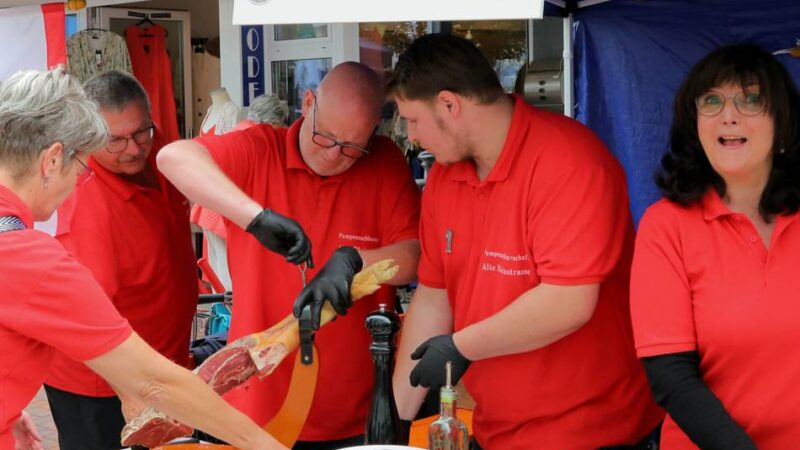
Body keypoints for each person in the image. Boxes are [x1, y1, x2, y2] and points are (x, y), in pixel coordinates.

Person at [388, 34, 662, 449]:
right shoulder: (445, 176)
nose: (409, 135)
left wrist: (461, 346)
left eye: (412, 119)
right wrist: (397, 417)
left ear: (449, 104)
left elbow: (568, 301)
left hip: (593, 431)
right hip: (498, 427)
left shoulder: (569, 161)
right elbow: (434, 292)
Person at [0, 68, 288, 450]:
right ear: (53, 160)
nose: (76, 184)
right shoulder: (32, 258)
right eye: (81, 164)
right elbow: (153, 382)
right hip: (103, 382)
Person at [157, 61, 421, 449]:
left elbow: (416, 257)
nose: (333, 155)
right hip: (255, 411)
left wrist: (355, 261)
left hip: (355, 415)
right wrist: (255, 218)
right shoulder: (260, 148)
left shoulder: (382, 161)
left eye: (351, 147)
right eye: (325, 138)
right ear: (308, 102)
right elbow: (173, 158)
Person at [630, 44, 800, 449]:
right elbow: (671, 378)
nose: (729, 114)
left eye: (751, 99)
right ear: (694, 124)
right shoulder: (666, 227)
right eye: (712, 100)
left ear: (782, 122)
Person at [37, 70, 199, 450]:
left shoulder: (156, 149)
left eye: (142, 132)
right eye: (116, 140)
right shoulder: (85, 201)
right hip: (102, 386)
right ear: (91, 136)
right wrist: (130, 393)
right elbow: (87, 318)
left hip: (160, 367)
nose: (134, 148)